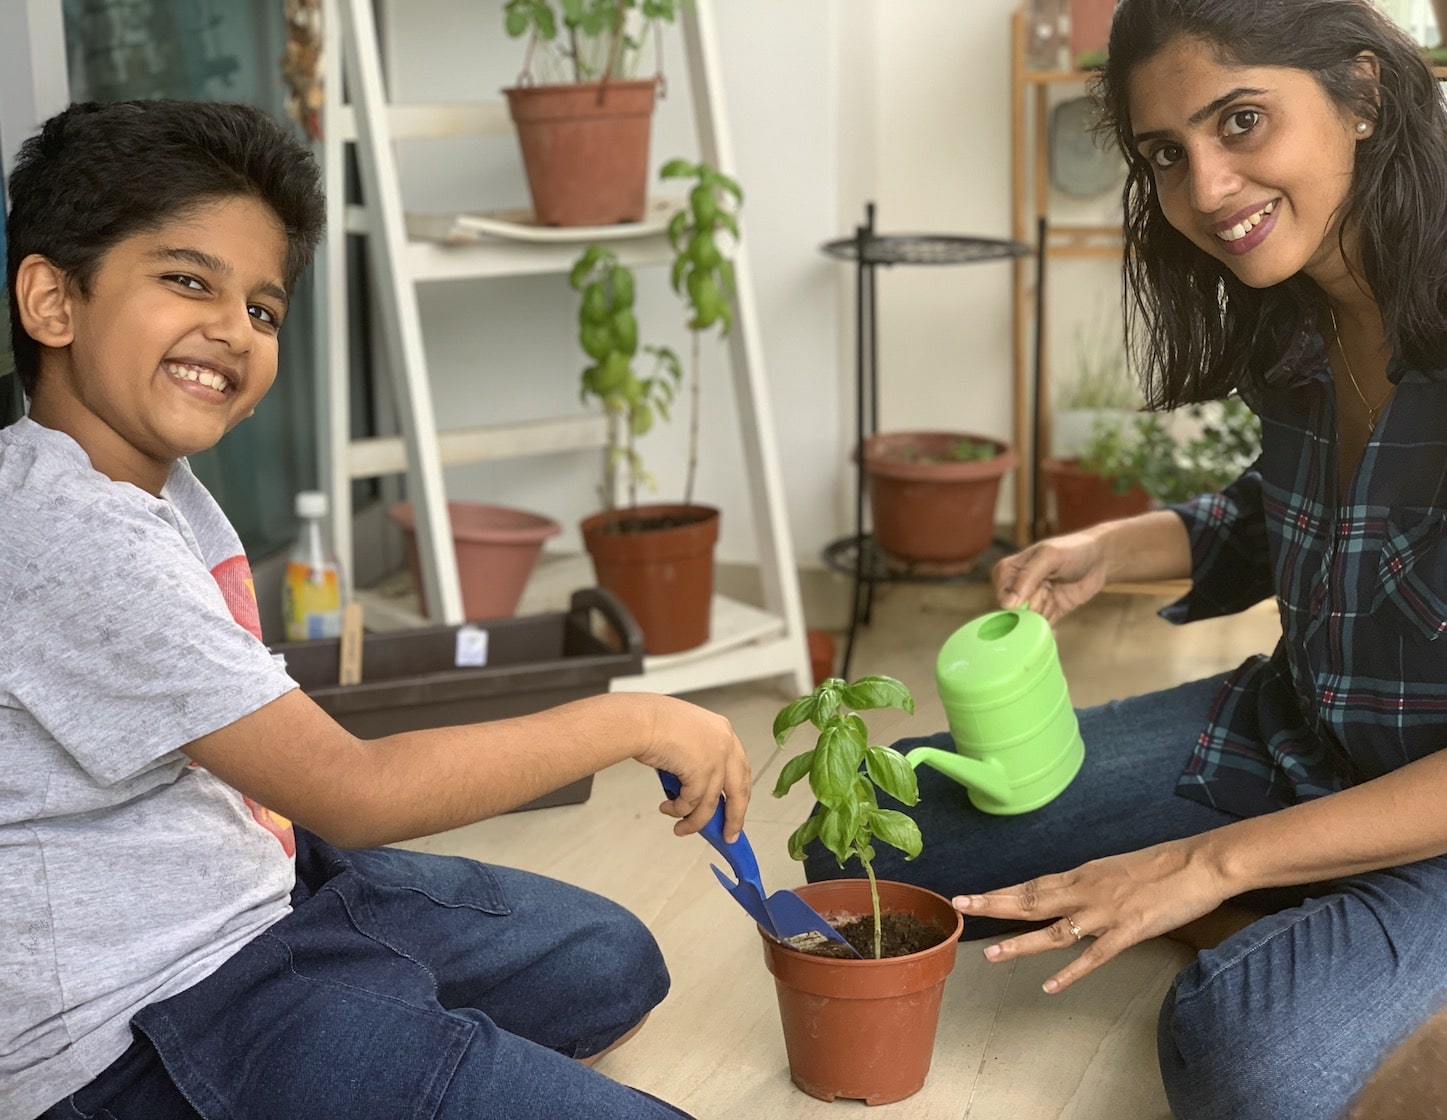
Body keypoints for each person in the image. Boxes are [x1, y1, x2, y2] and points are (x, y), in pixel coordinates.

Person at [0, 99, 753, 1120]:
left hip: (264, 888)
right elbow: (353, 788)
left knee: (608, 960)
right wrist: (636, 716)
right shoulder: (66, 532)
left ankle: (374, 1028)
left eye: (263, 309)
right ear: (52, 301)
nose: (233, 330)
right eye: (187, 279)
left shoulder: (150, 478)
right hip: (152, 1024)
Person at [805, 1, 1447, 1116]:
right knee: (855, 838)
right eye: (1166, 154)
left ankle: (1308, 909)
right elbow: (1292, 516)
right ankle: (1301, 890)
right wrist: (1110, 542)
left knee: (1241, 1055)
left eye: (1240, 120)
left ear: (1363, 93)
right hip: (1290, 736)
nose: (1204, 189)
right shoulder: (1299, 312)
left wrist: (1207, 863)